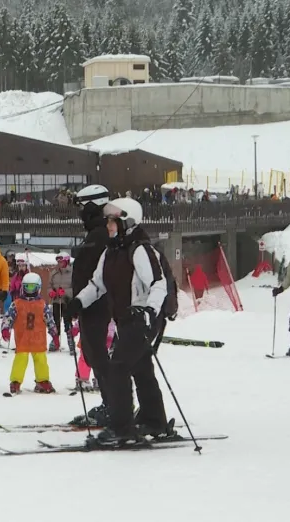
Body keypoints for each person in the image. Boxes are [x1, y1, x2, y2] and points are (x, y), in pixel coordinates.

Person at [68, 197, 172, 444]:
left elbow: (159, 284)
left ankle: (122, 426)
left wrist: (148, 312)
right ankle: (153, 420)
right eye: (108, 221)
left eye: (114, 221)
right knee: (140, 367)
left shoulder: (140, 250)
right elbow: (97, 285)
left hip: (142, 318)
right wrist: (78, 302)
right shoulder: (111, 252)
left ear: (128, 221)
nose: (109, 225)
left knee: (118, 368)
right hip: (125, 319)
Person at [69, 184, 114, 427]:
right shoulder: (95, 233)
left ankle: (115, 405)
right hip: (89, 304)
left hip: (99, 305)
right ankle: (111, 403)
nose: (79, 214)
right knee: (94, 354)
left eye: (81, 207)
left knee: (99, 355)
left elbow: (101, 276)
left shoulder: (101, 234)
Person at [2, 273, 55, 394]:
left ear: (38, 288)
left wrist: (54, 333)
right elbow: (8, 317)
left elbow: (49, 320)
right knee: (21, 359)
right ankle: (15, 381)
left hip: (38, 339)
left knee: (41, 360)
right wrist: (5, 328)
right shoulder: (17, 304)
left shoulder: (42, 304)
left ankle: (42, 381)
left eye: (32, 287)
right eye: (27, 287)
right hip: (23, 338)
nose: (30, 291)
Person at [48, 253, 74, 354]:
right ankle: (55, 340)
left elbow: (75, 287)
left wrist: (65, 292)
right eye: (58, 262)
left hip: (67, 301)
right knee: (55, 321)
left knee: (67, 322)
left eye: (61, 262)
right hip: (56, 301)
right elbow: (49, 285)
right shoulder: (53, 273)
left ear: (66, 261)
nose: (59, 264)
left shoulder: (72, 273)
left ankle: (70, 341)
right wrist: (51, 292)